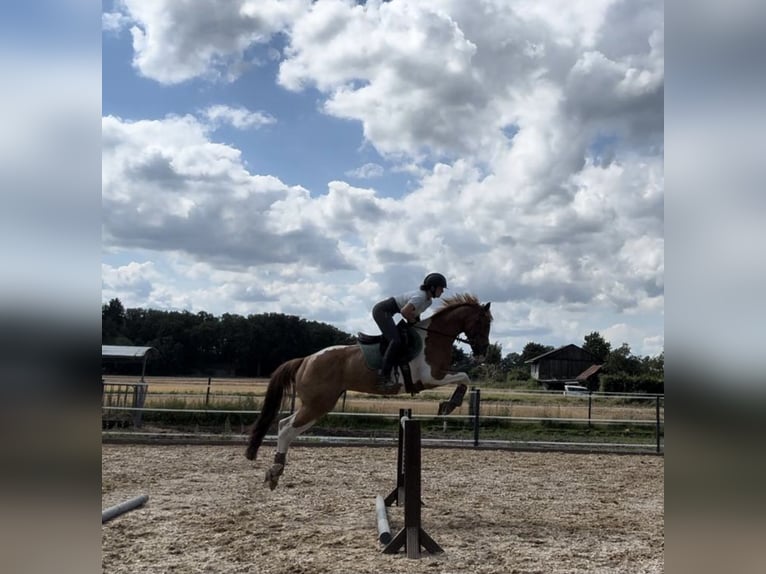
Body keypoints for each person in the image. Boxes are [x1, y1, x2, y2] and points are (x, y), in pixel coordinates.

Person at [372, 272, 448, 389]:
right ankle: (383, 377)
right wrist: (413, 322)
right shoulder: (420, 297)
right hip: (382, 311)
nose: (442, 291)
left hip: (391, 312)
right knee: (395, 341)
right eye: (441, 288)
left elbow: (414, 315)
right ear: (432, 287)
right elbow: (404, 312)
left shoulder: (428, 301)